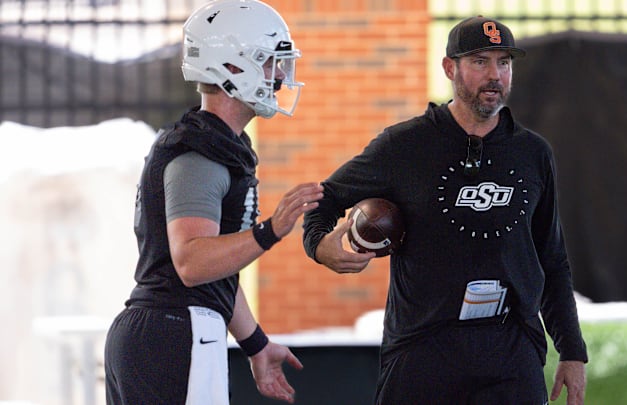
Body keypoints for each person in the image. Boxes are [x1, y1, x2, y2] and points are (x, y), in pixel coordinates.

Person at [303, 15, 588, 405]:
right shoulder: (404, 145)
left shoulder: (533, 153)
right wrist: (319, 245)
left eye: (503, 62)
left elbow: (552, 260)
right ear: (449, 68)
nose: (495, 75)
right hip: (423, 349)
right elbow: (326, 197)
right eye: (480, 62)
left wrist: (571, 351)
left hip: (511, 350)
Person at [104, 1, 324, 404]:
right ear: (234, 67)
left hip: (167, 330)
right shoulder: (201, 154)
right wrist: (271, 230)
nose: (280, 76)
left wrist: (256, 344)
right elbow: (193, 263)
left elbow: (216, 272)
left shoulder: (216, 144)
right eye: (271, 62)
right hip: (175, 331)